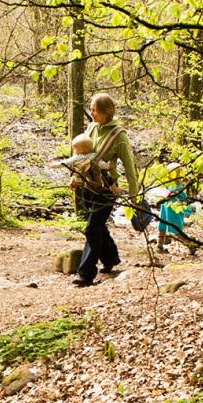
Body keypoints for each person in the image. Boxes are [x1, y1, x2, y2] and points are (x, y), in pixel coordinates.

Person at [63, 91, 140, 286]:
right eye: (91, 109)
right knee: (97, 227)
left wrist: (134, 192)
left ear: (108, 112)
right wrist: (75, 178)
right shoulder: (91, 128)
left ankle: (86, 273)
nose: (92, 113)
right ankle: (111, 258)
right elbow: (81, 156)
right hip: (88, 186)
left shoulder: (119, 134)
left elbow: (129, 165)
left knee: (91, 228)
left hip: (107, 189)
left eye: (95, 110)